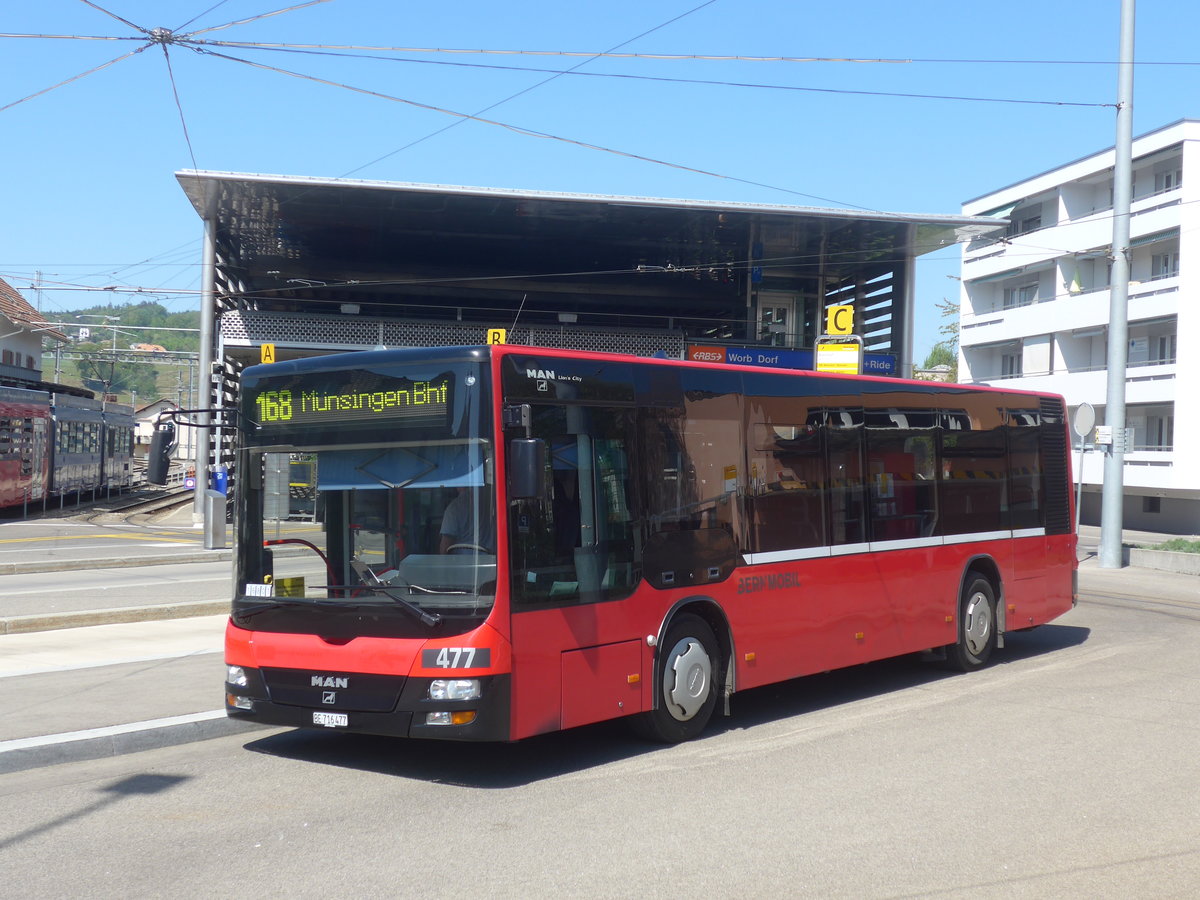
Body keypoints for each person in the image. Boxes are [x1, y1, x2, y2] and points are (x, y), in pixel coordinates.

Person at [439, 485, 494, 553]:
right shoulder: (490, 499)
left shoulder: (454, 508)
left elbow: (445, 546)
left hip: (463, 559)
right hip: (490, 556)